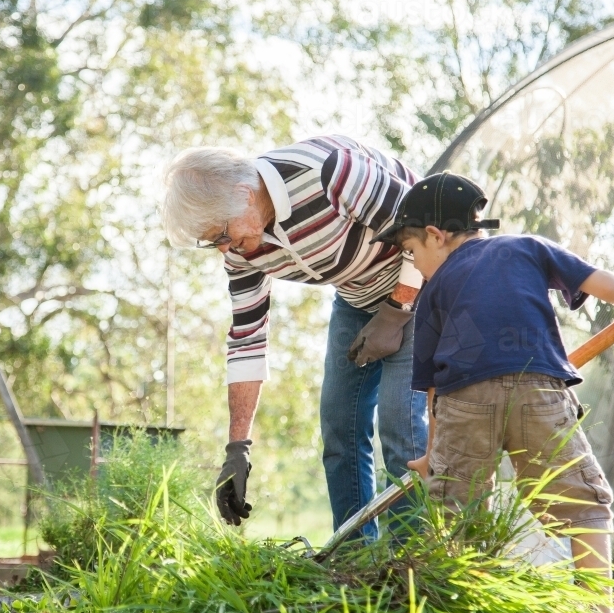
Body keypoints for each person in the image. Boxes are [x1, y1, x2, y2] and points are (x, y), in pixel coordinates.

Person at [373, 172, 614, 602]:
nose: (414, 263)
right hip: (538, 390)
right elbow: (596, 278)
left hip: (464, 400)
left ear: (435, 236)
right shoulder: (527, 247)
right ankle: (597, 606)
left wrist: (433, 457)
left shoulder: (433, 291)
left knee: (458, 511)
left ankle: (468, 602)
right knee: (582, 505)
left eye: (411, 250)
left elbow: (434, 393)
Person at [162, 135, 428, 539]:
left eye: (221, 233)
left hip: (423, 286)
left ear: (244, 194)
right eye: (213, 241)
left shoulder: (330, 172)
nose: (224, 249)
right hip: (356, 297)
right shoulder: (241, 250)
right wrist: (238, 449)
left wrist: (396, 311)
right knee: (339, 424)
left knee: (399, 421)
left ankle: (415, 557)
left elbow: (425, 228)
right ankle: (354, 558)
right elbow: (248, 338)